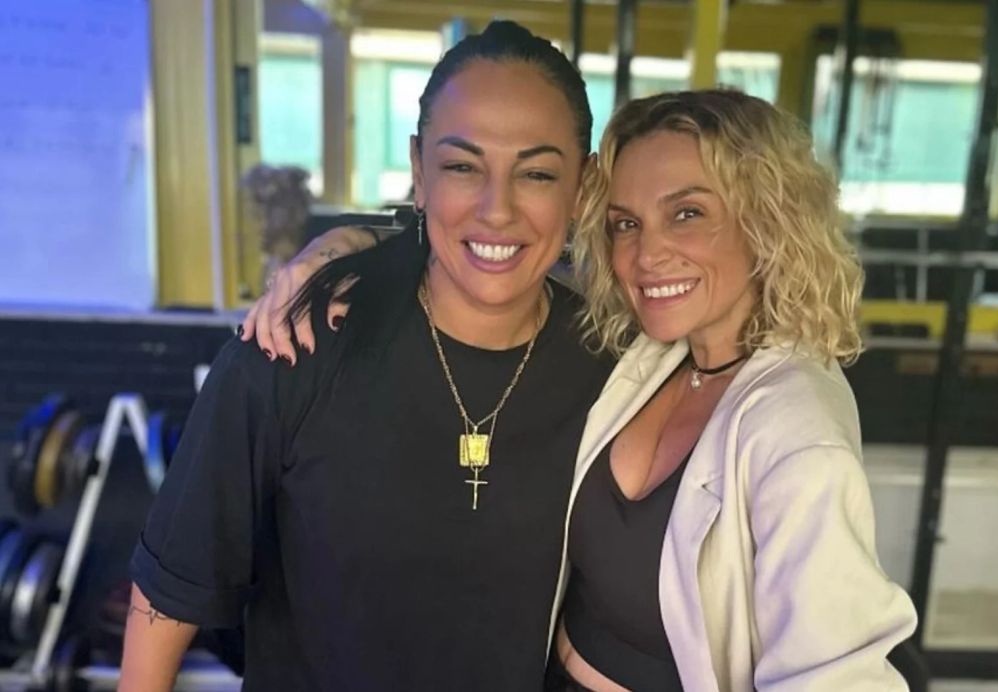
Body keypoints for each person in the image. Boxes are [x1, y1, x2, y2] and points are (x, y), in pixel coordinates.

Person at [251, 89, 917, 690]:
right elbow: (487, 239)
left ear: (769, 220)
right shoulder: (646, 353)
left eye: (687, 213)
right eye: (626, 223)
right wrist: (342, 247)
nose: (646, 255)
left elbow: (839, 675)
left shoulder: (797, 433)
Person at [120, 21, 613, 692]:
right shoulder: (300, 342)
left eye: (537, 173)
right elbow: (173, 586)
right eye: (462, 167)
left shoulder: (615, 371)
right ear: (418, 171)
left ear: (582, 187)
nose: (497, 210)